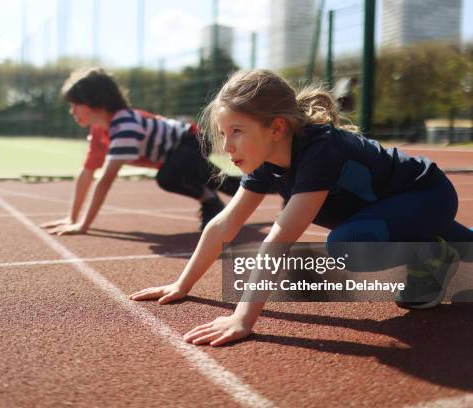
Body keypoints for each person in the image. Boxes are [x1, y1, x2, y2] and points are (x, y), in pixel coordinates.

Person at [130, 69, 473, 347]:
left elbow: (278, 239)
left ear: (276, 127)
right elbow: (224, 224)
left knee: (347, 246)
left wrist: (243, 317)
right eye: (222, 133)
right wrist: (182, 284)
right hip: (392, 214)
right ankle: (443, 250)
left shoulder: (318, 148)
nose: (226, 145)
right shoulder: (267, 160)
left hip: (425, 196)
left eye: (236, 131)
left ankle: (433, 256)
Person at [41, 67, 240, 234]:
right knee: (221, 182)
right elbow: (87, 173)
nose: (71, 111)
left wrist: (83, 225)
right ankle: (267, 183)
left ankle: (210, 201)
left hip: (192, 140)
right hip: (177, 152)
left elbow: (105, 180)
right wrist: (72, 217)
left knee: (168, 177)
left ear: (96, 103)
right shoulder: (99, 131)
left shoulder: (125, 125)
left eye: (76, 104)